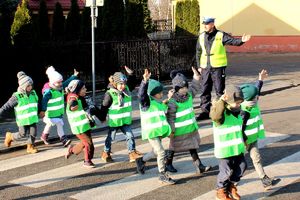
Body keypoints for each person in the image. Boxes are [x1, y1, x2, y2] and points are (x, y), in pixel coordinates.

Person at [196, 16, 251, 121]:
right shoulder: (201, 36)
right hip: (205, 68)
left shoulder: (221, 35)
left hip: (218, 67)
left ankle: (222, 110)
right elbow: (198, 52)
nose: (205, 26)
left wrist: (241, 41)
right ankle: (205, 112)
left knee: (219, 90)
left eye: (207, 24)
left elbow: (232, 41)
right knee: (204, 90)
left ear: (212, 24)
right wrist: (199, 66)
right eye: (204, 24)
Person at [164, 67, 211, 174]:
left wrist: (196, 76)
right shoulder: (173, 101)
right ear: (176, 89)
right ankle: (168, 163)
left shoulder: (188, 96)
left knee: (192, 147)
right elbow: (170, 117)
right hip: (178, 131)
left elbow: (195, 87)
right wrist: (171, 130)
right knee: (173, 147)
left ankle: (199, 166)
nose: (185, 90)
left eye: (185, 87)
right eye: (182, 88)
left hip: (190, 129)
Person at [240, 69, 280, 190]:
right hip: (243, 141)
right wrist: (244, 140)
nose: (258, 96)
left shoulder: (253, 102)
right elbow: (240, 129)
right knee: (239, 164)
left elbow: (256, 90)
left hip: (252, 139)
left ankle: (265, 180)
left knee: (256, 159)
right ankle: (229, 183)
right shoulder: (244, 111)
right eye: (256, 96)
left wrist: (260, 80)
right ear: (253, 98)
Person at [135, 69, 175, 185]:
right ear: (152, 93)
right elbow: (141, 94)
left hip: (158, 132)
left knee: (155, 152)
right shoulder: (146, 103)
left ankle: (141, 161)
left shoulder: (157, 102)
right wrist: (145, 81)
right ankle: (162, 174)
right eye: (159, 92)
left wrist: (169, 97)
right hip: (151, 133)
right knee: (161, 152)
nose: (161, 94)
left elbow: (163, 107)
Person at [210, 85, 247, 200]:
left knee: (242, 166)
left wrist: (244, 140)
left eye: (240, 102)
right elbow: (215, 116)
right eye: (236, 102)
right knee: (225, 172)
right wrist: (222, 100)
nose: (238, 105)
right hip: (225, 150)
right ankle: (221, 191)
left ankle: (232, 186)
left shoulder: (238, 112)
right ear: (228, 100)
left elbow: (239, 129)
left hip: (237, 148)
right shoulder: (220, 114)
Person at [99, 66, 142, 163]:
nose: (123, 86)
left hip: (125, 121)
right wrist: (102, 117)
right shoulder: (109, 94)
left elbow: (132, 83)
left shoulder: (126, 90)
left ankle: (132, 153)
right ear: (115, 83)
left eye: (124, 83)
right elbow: (104, 107)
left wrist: (131, 74)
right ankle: (106, 152)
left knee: (130, 135)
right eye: (120, 84)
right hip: (115, 122)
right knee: (111, 138)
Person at [64, 79, 100, 168]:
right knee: (88, 144)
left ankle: (72, 150)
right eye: (83, 88)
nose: (85, 90)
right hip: (78, 127)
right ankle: (87, 161)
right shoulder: (73, 97)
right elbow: (72, 103)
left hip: (85, 125)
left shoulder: (81, 98)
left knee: (85, 143)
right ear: (77, 90)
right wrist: (73, 106)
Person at [39, 66, 78, 147]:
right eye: (58, 82)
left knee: (49, 125)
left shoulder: (59, 87)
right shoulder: (49, 92)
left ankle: (44, 136)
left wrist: (74, 76)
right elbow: (44, 101)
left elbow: (67, 82)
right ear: (53, 82)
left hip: (58, 112)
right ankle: (63, 139)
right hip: (51, 113)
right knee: (59, 124)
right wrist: (42, 110)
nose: (60, 84)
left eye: (61, 82)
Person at [1, 71, 39, 153]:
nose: (30, 87)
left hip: (32, 118)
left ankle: (30, 147)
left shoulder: (33, 93)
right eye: (28, 85)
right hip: (23, 120)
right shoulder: (17, 96)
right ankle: (10, 136)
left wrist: (41, 111)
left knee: (33, 133)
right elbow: (7, 106)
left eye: (31, 85)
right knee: (22, 134)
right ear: (23, 86)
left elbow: (36, 103)